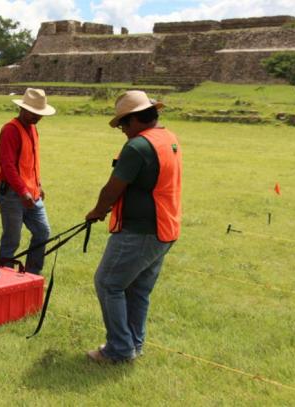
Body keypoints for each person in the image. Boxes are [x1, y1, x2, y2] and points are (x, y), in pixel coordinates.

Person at [85, 90, 182, 363]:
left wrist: (97, 211)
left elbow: (114, 187)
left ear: (135, 120)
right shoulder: (168, 138)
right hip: (165, 227)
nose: (123, 131)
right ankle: (133, 344)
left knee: (108, 283)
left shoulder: (138, 146)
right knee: (137, 289)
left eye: (123, 125)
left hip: (140, 232)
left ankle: (119, 349)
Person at [0, 88, 55, 275]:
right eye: (34, 112)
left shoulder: (33, 129)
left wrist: (38, 185)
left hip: (31, 193)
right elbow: (8, 165)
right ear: (23, 109)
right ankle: (4, 278)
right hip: (13, 194)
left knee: (43, 232)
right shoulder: (10, 130)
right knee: (12, 240)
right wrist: (23, 191)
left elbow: (30, 162)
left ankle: (31, 275)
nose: (37, 117)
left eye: (40, 114)